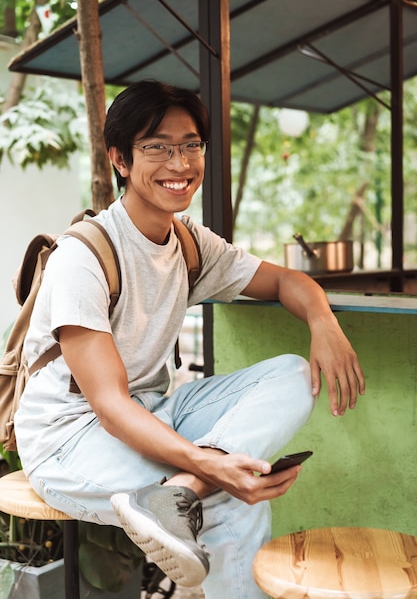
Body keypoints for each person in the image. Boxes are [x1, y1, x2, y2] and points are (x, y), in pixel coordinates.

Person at [14, 80, 365, 599]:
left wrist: (323, 323)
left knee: (292, 372)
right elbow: (109, 405)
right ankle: (187, 495)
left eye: (190, 145)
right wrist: (210, 466)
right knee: (228, 495)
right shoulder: (83, 257)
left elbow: (287, 280)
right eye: (156, 146)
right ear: (121, 160)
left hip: (156, 411)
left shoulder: (188, 242)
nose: (179, 163)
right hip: (69, 440)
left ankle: (176, 495)